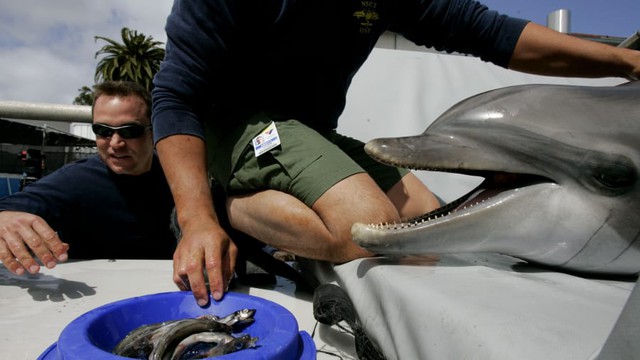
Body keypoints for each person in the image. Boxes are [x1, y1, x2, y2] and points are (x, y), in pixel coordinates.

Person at [151, 0, 640, 305]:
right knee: (366, 230)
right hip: (233, 127)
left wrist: (624, 60)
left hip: (310, 132)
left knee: (426, 232)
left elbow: (488, 32)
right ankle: (225, 205)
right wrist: (198, 220)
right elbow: (174, 95)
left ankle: (282, 211)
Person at [0, 81, 176, 276]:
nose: (116, 143)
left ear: (153, 131)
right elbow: (7, 211)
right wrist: (5, 219)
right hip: (95, 292)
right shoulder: (75, 181)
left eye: (129, 131)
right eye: (103, 131)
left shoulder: (179, 175)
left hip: (171, 288)